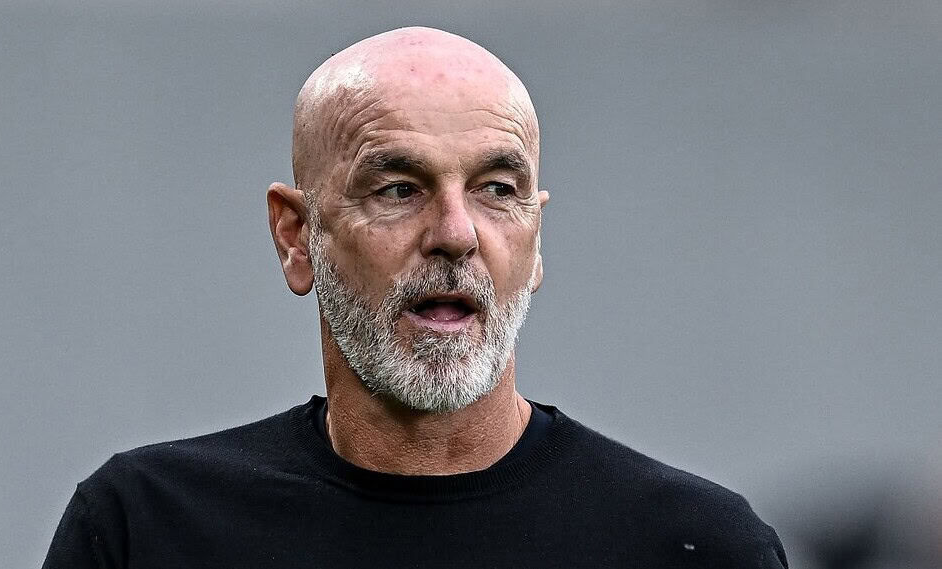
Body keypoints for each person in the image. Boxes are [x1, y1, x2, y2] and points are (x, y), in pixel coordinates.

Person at [42, 27, 788, 568]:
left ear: (535, 241)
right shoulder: (148, 528)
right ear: (298, 237)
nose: (456, 235)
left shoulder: (694, 545)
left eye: (498, 190)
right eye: (399, 188)